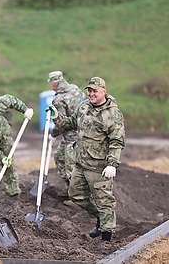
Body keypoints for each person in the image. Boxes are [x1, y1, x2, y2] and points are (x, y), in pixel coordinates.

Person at [47, 76, 125, 242]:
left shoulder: (112, 114)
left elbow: (117, 141)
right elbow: (71, 123)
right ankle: (100, 219)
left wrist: (112, 164)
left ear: (104, 91)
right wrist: (56, 117)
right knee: (75, 195)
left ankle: (106, 238)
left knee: (104, 200)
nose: (91, 94)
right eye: (89, 90)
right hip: (81, 164)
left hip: (99, 167)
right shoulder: (83, 107)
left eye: (95, 91)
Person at [47, 71, 83, 199]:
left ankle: (77, 198)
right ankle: (70, 189)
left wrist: (53, 134)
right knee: (59, 157)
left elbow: (61, 122)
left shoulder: (58, 100)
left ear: (54, 84)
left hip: (71, 137)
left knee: (71, 167)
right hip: (82, 131)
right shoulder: (76, 89)